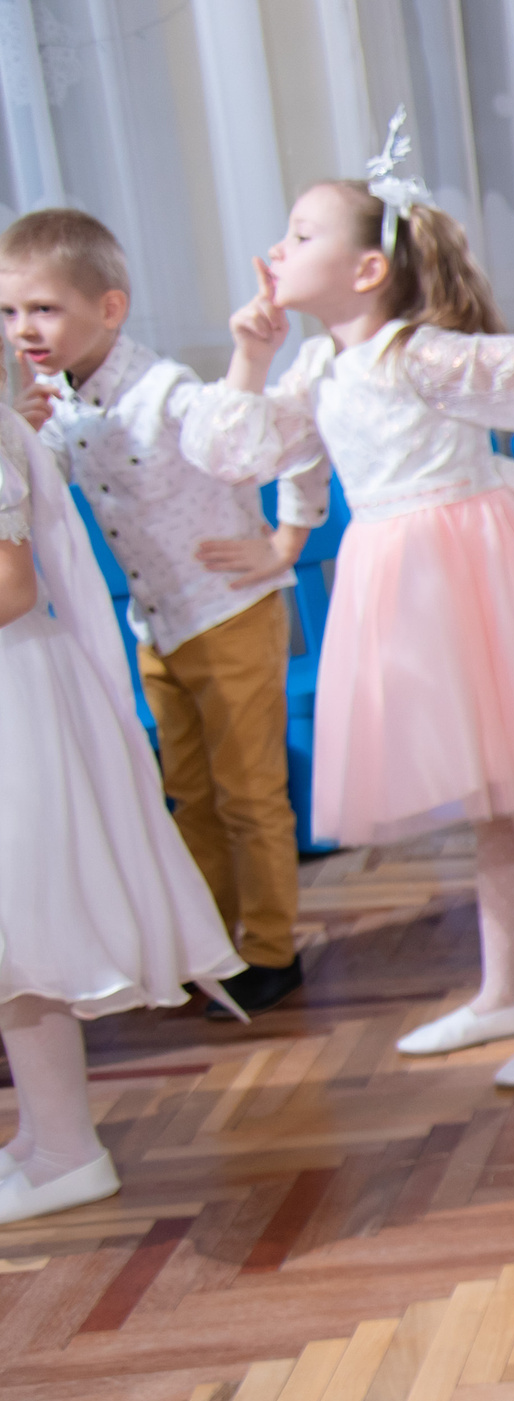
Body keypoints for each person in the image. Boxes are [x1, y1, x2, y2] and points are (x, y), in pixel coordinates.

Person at [182, 118, 514, 1091]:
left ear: (366, 271)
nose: (280, 247)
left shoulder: (416, 352)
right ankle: (502, 993)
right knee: (492, 807)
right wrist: (248, 357)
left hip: (475, 575)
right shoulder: (320, 365)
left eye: (303, 232)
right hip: (404, 582)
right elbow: (245, 450)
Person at [0, 207, 329, 1018]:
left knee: (250, 791)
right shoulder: (56, 401)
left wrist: (287, 541)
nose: (23, 330)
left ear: (109, 308)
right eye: (8, 313)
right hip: (159, 624)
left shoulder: (166, 391)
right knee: (186, 789)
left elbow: (287, 437)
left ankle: (270, 949)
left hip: (228, 611)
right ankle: (204, 943)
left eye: (43, 309)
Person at [0, 402, 242, 1223]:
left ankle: (68, 1151)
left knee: (21, 927)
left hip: (12, 687)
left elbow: (9, 582)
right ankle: (41, 1137)